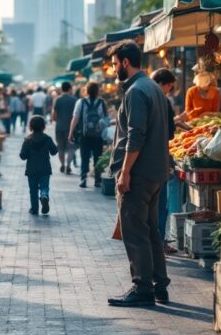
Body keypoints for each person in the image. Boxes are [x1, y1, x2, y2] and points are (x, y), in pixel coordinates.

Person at [108, 40, 171, 307]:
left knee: (135, 232)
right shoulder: (154, 87)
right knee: (151, 230)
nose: (113, 71)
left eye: (114, 65)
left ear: (125, 62)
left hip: (139, 174)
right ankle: (159, 285)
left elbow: (136, 136)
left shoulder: (135, 91)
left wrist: (125, 172)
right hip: (155, 172)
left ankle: (142, 287)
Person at [151, 69, 191, 254]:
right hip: (160, 156)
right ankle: (159, 241)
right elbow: (167, 132)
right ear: (164, 83)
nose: (169, 91)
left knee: (151, 203)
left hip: (145, 159)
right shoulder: (162, 100)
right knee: (160, 204)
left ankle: (154, 240)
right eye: (169, 87)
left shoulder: (144, 96)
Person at [68, 82, 107, 188]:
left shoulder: (81, 102)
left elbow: (75, 118)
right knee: (97, 157)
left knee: (84, 157)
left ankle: (83, 178)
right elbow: (105, 119)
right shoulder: (102, 102)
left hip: (84, 135)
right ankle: (97, 179)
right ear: (98, 91)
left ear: (86, 90)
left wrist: (71, 132)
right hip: (98, 135)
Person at [19, 115, 58, 215]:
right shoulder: (47, 139)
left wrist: (26, 153)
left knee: (33, 190)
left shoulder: (27, 140)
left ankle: (34, 209)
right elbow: (54, 151)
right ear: (43, 126)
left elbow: (23, 156)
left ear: (31, 127)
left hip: (32, 169)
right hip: (45, 168)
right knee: (44, 186)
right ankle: (44, 195)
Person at [52, 82, 78, 174]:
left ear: (62, 89)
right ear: (70, 89)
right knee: (71, 147)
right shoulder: (75, 100)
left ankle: (62, 165)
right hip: (71, 128)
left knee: (61, 148)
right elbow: (77, 116)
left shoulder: (57, 100)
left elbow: (53, 116)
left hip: (59, 127)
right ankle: (68, 166)